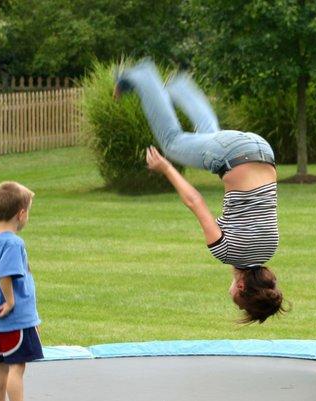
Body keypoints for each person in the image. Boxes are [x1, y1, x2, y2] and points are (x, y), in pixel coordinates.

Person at [115, 59, 284, 323]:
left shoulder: (269, 249)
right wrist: (166, 168)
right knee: (172, 142)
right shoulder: (227, 252)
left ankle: (181, 87)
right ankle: (144, 77)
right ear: (242, 290)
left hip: (261, 149)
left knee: (210, 136)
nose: (236, 304)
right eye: (241, 306)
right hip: (232, 156)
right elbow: (195, 201)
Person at [0, 181, 42, 401]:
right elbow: (4, 273)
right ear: (21, 214)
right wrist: (11, 301)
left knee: (1, 366)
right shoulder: (13, 243)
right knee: (17, 367)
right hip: (14, 320)